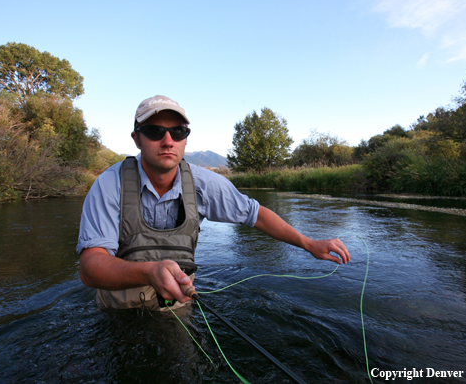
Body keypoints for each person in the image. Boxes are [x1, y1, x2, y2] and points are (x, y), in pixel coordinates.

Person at [77, 95, 350, 310]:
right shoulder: (109, 185)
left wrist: (309, 243)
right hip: (117, 312)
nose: (168, 141)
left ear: (186, 139)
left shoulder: (204, 183)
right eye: (154, 131)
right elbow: (90, 269)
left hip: (176, 306)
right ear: (137, 139)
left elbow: (257, 214)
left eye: (178, 132)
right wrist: (149, 272)